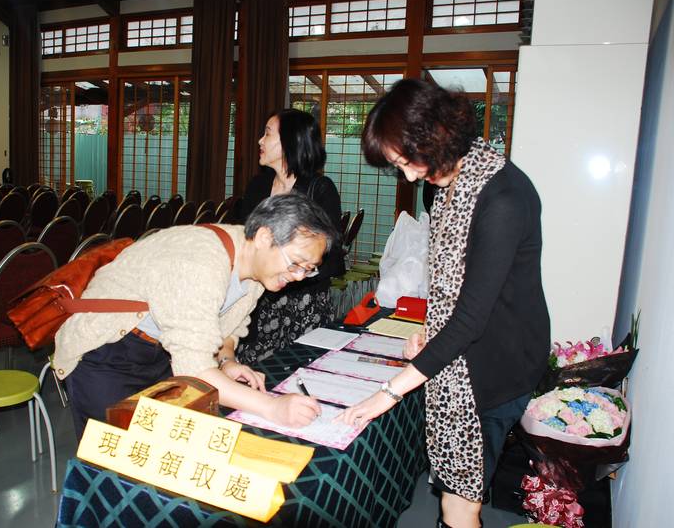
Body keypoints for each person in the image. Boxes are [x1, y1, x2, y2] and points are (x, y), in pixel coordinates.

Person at [337, 79, 550, 528]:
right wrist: (430, 330)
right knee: (453, 495)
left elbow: (471, 316)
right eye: (399, 166)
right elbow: (451, 283)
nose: (410, 177)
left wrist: (388, 393)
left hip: (497, 365)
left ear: (436, 134)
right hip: (466, 352)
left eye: (408, 162)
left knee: (460, 502)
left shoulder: (504, 197)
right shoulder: (443, 185)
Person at [56, 193, 339, 440]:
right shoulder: (201, 262)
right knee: (114, 456)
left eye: (308, 269)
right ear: (265, 237)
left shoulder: (255, 267)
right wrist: (272, 407)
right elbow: (193, 370)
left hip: (161, 351)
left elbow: (229, 328)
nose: (298, 276)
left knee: (162, 447)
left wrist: (227, 360)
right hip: (107, 351)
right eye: (296, 263)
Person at [236, 109, 344, 364]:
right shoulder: (257, 186)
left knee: (297, 371)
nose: (260, 141)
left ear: (290, 142)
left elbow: (332, 258)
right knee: (254, 372)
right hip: (257, 302)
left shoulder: (320, 189)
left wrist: (288, 274)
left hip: (302, 305)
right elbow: (242, 241)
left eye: (267, 134)